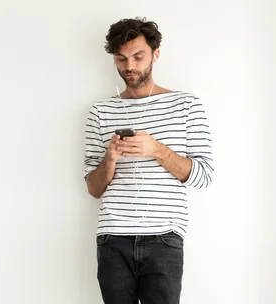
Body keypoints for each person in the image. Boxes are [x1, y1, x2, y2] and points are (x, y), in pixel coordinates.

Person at [83, 17, 214, 304]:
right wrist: (110, 159)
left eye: (138, 56)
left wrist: (158, 150)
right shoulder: (100, 112)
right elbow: (93, 189)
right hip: (113, 237)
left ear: (155, 54)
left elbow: (204, 176)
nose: (129, 66)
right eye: (121, 58)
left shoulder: (187, 105)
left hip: (164, 238)